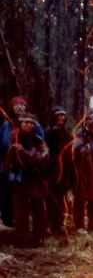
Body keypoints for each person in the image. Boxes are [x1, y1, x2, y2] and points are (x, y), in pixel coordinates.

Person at [5, 113, 50, 246]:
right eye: (25, 122)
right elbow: (12, 157)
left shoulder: (38, 139)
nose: (29, 125)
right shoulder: (13, 138)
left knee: (38, 210)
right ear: (20, 123)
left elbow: (45, 156)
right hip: (19, 180)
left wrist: (26, 154)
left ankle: (38, 238)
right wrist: (25, 155)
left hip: (35, 179)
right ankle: (21, 239)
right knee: (20, 211)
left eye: (31, 123)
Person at [0, 96, 44, 227]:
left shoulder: (33, 123)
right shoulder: (6, 125)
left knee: (30, 197)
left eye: (22, 104)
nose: (19, 106)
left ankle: (29, 226)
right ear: (12, 107)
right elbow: (2, 143)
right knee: (7, 194)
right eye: (16, 104)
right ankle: (9, 222)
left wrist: (28, 153)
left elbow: (41, 142)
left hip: (29, 167)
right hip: (9, 166)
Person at [45, 106, 75, 235]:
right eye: (58, 115)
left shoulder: (67, 134)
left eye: (63, 116)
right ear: (53, 117)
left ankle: (62, 226)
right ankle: (52, 227)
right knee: (52, 200)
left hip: (65, 171)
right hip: (52, 171)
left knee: (63, 199)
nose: (61, 118)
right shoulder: (48, 133)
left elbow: (69, 153)